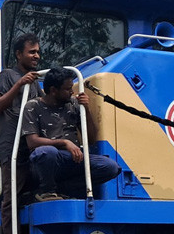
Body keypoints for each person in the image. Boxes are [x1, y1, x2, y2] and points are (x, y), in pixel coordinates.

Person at [22, 67, 121, 200]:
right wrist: (64, 143)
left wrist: (86, 109)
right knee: (47, 152)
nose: (72, 92)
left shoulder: (73, 103)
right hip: (47, 161)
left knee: (111, 167)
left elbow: (91, 139)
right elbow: (32, 142)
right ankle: (46, 191)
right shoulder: (32, 106)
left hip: (73, 158)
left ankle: (63, 190)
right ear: (53, 90)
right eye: (68, 89)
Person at [0, 33, 43, 234]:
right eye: (32, 52)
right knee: (11, 199)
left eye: (38, 52)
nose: (36, 56)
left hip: (31, 144)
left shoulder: (36, 80)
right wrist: (19, 84)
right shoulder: (7, 75)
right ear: (18, 54)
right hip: (11, 146)